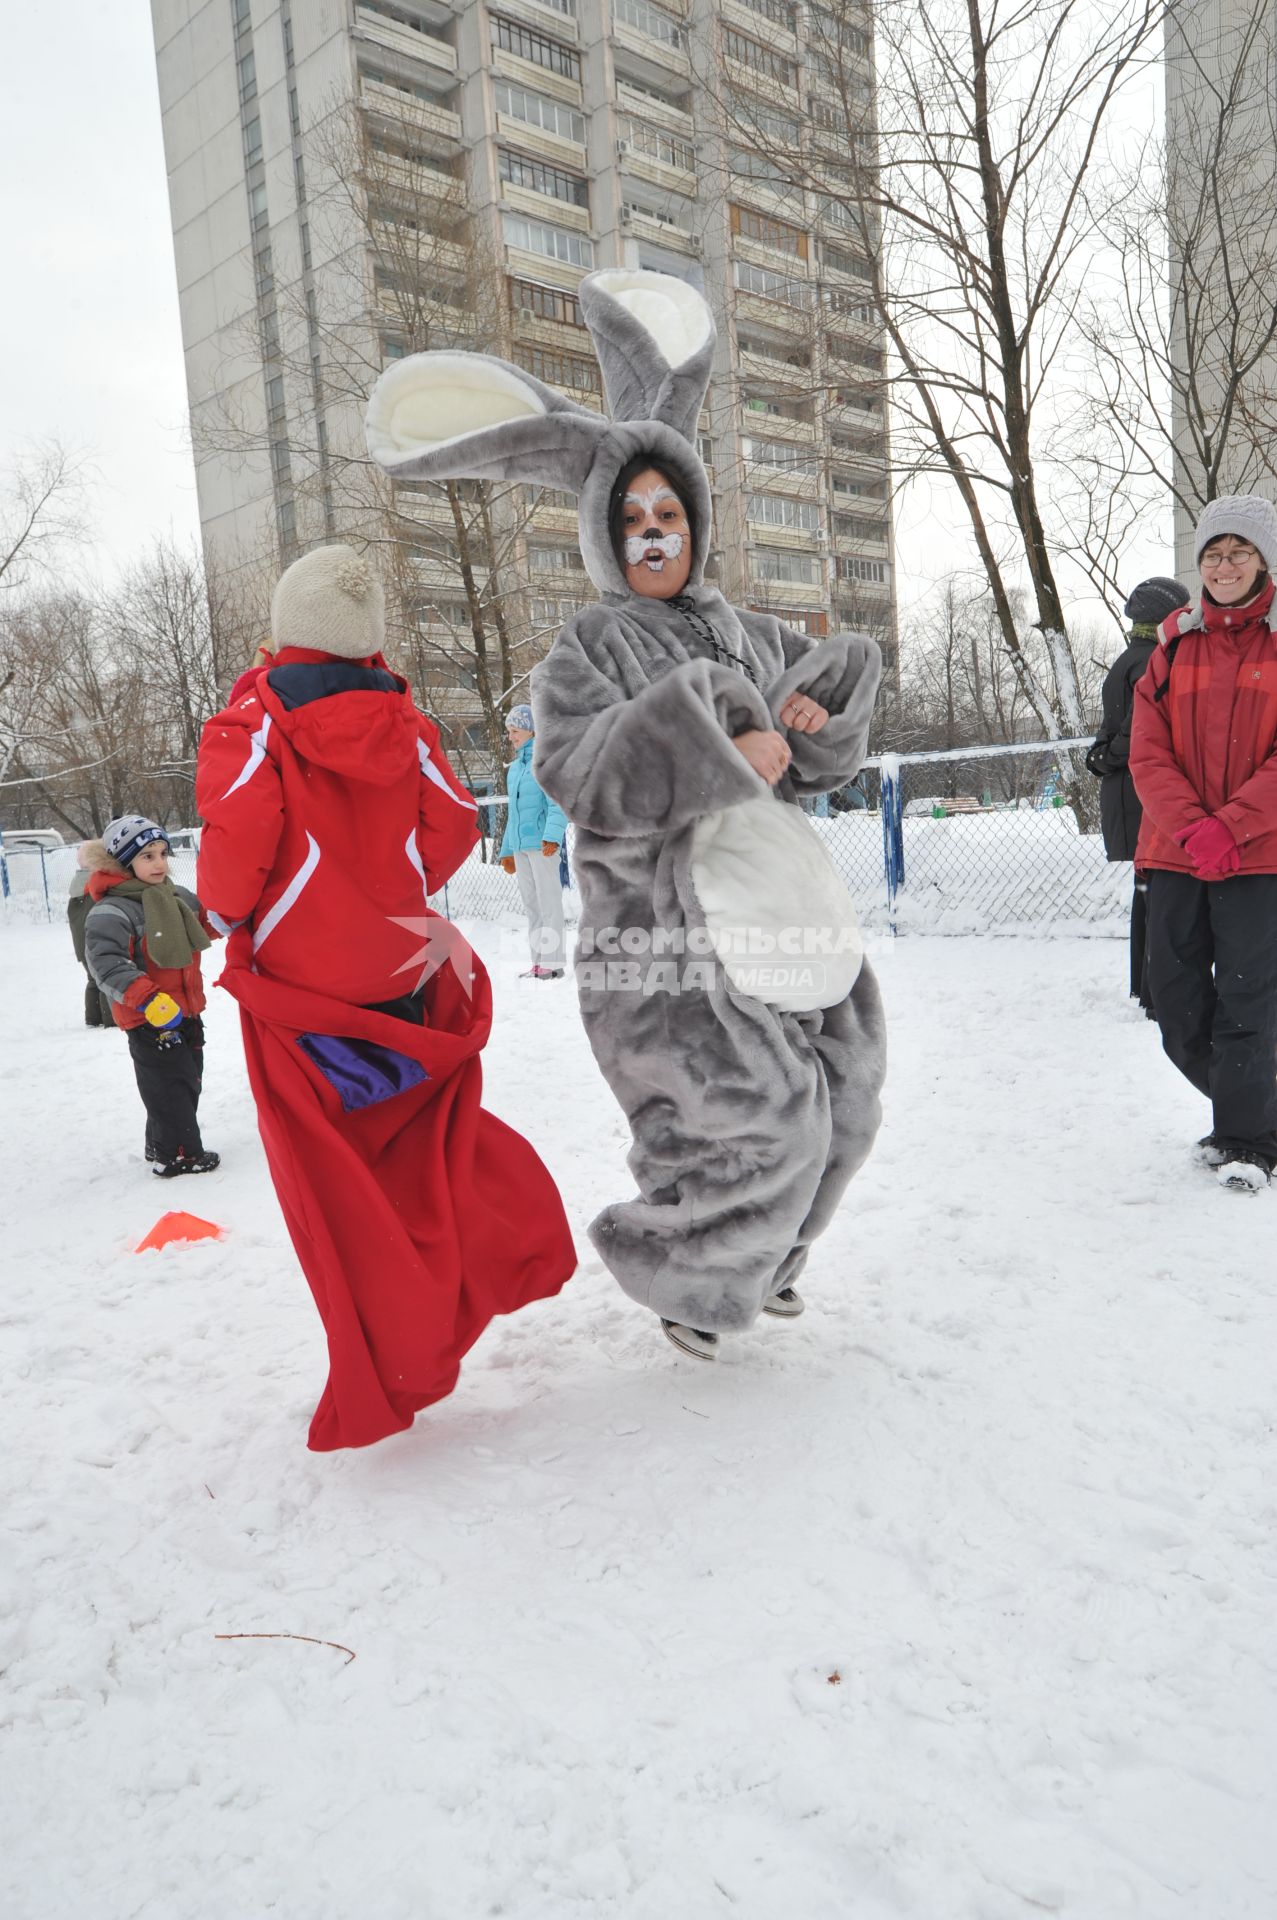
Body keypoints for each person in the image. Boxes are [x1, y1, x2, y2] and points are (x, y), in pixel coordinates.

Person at [364, 269, 885, 1360]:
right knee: (755, 1119)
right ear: (606, 535)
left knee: (843, 1095)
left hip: (776, 908)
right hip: (667, 944)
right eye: (631, 519)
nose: (652, 535)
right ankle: (688, 1274)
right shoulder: (584, 651)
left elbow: (818, 743)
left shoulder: (742, 628)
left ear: (694, 522)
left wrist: (806, 709)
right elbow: (585, 774)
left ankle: (764, 1259)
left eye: (668, 515)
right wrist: (714, 737)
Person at [195, 544, 575, 1450]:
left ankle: (392, 1349)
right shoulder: (405, 720)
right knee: (411, 1149)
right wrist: (390, 886)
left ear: (285, 632)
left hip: (300, 990)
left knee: (339, 1190)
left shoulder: (253, 722)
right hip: (398, 975)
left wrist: (228, 915)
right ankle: (471, 1271)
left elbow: (234, 852)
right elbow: (448, 826)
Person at [1130, 496, 1277, 1192]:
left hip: (1260, 854)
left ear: (1262, 560)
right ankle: (1251, 1109)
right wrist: (1194, 828)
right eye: (1212, 554)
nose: (1223, 565)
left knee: (1251, 999)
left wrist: (1232, 825)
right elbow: (1145, 753)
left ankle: (1247, 1140)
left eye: (1237, 552)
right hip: (1177, 851)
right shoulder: (1170, 645)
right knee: (1175, 997)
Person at [82, 816, 220, 1176]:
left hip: (186, 1009)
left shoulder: (174, 896)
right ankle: (179, 1155)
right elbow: (106, 963)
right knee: (170, 1086)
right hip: (149, 1016)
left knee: (188, 1080)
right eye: (147, 856)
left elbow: (205, 923)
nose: (159, 863)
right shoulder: (112, 910)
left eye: (162, 853)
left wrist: (229, 916)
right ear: (123, 863)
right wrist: (147, 999)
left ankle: (159, 1142)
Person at [1086, 575, 1189, 1013]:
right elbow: (1137, 731)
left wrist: (1102, 755)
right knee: (1155, 890)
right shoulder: (1152, 660)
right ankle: (1152, 991)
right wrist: (1108, 756)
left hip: (1128, 790)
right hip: (1140, 791)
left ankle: (1145, 986)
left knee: (1147, 890)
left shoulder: (1129, 657)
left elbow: (1117, 729)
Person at [498, 703, 567, 979]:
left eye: (515, 731)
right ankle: (538, 963)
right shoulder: (514, 769)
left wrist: (551, 836)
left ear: (530, 730)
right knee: (532, 906)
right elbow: (512, 815)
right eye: (509, 732)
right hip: (520, 846)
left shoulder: (546, 763)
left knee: (549, 903)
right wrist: (506, 851)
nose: (511, 736)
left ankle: (553, 963)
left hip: (542, 845)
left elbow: (557, 804)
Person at [67, 842, 114, 1028]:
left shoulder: (78, 886)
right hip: (94, 941)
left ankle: (93, 1018)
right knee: (105, 977)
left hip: (82, 942)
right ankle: (110, 1019)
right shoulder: (94, 885)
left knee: (93, 979)